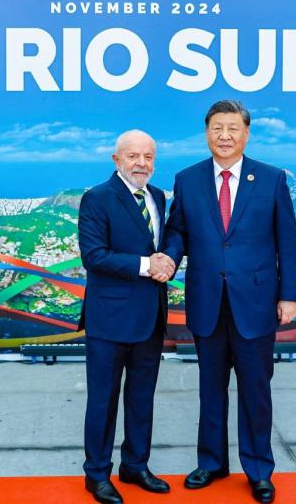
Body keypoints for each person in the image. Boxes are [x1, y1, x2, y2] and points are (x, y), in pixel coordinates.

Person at [162, 100, 296, 503]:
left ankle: (258, 470)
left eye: (233, 128)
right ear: (207, 133)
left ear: (246, 133)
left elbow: (287, 241)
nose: (225, 136)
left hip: (256, 303)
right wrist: (168, 256)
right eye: (217, 128)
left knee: (256, 391)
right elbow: (178, 231)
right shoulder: (188, 180)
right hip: (207, 300)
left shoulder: (271, 179)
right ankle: (211, 463)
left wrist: (289, 295)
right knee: (210, 388)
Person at [78, 129, 175, 504]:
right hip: (109, 319)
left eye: (148, 156)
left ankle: (135, 465)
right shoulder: (97, 198)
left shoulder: (158, 196)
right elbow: (94, 256)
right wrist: (147, 265)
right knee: (103, 401)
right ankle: (97, 474)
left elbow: (161, 246)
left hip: (150, 316)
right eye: (133, 156)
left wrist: (166, 261)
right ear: (116, 160)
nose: (141, 163)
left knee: (142, 398)